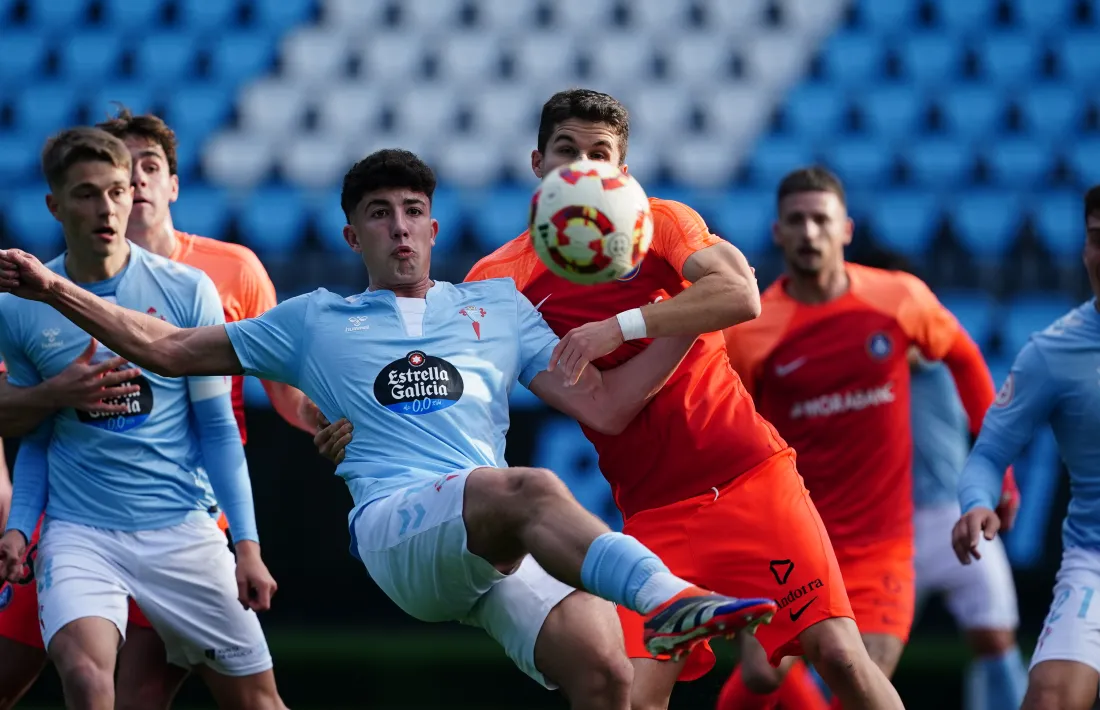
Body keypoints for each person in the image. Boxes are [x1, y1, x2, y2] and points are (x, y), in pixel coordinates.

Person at [0, 148, 779, 710]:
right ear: (352, 237)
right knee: (528, 487)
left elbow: (606, 407)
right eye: (379, 214)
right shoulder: (314, 321)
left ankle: (661, 605)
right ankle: (671, 600)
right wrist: (53, 289)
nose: (399, 229)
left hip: (491, 542)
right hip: (402, 531)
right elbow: (167, 351)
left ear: (435, 228)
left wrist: (686, 323)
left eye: (412, 212)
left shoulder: (498, 309)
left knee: (607, 677)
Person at [459, 90, 903, 710]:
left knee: (840, 657)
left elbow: (742, 295)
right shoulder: (503, 279)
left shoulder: (663, 221)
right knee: (637, 698)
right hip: (652, 518)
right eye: (567, 152)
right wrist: (682, 319)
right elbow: (608, 410)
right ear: (538, 164)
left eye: (600, 154)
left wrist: (625, 326)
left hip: (750, 480)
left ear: (623, 170)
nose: (584, 168)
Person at [0, 109, 315, 710]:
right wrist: (19, 523)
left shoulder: (195, 285)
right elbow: (32, 432)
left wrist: (246, 545)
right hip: (77, 530)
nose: (111, 205)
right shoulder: (19, 305)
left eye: (121, 188)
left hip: (183, 525)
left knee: (249, 700)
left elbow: (223, 423)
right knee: (90, 683)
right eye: (88, 194)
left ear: (163, 185)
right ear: (54, 206)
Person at [719, 168, 1003, 710]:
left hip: (884, 549)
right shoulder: (752, 329)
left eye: (820, 219)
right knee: (761, 676)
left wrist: (999, 469)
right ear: (778, 232)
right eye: (796, 221)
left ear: (845, 229)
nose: (809, 232)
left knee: (859, 680)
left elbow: (964, 358)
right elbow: (734, 428)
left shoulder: (897, 299)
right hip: (794, 539)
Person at [953, 184, 1100, 710]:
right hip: (1094, 563)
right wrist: (976, 504)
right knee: (1050, 698)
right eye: (1096, 239)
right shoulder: (1053, 352)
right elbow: (990, 455)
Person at [866, 250, 1027, 710]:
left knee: (996, 640)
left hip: (952, 515)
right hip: (884, 527)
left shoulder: (930, 349)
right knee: (859, 658)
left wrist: (1005, 483)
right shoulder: (854, 358)